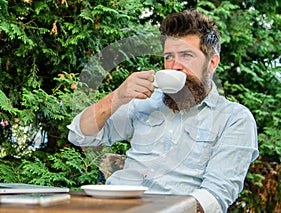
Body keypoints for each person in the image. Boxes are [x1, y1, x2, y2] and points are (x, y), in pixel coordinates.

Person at [68, 9, 259, 213]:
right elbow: (80, 135)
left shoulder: (234, 119)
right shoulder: (146, 101)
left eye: (186, 55)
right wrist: (117, 97)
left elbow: (213, 197)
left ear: (212, 62)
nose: (174, 66)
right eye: (169, 57)